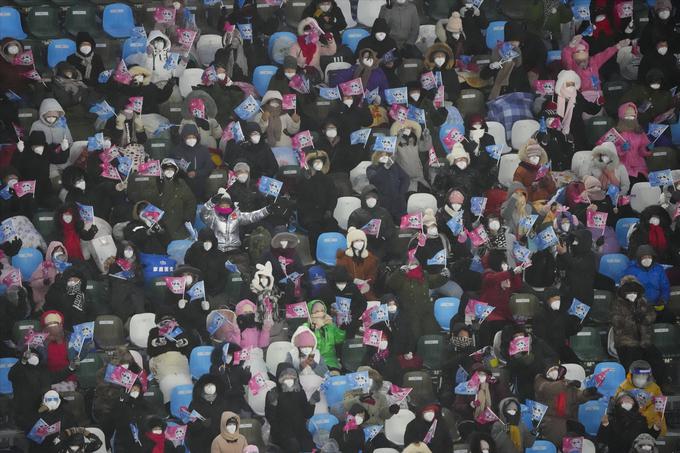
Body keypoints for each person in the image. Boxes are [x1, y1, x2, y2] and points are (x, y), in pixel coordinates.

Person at [611, 276, 667, 386]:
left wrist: (643, 318)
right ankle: (631, 387)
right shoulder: (617, 304)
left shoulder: (643, 302)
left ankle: (662, 385)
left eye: (634, 291)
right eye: (629, 291)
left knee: (656, 357)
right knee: (632, 359)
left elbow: (651, 315)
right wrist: (633, 319)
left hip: (644, 341)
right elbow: (617, 322)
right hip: (626, 342)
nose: (632, 293)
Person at [533, 365, 602, 445]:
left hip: (569, 423)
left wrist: (586, 394)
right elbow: (548, 389)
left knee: (580, 434)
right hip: (550, 424)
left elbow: (576, 396)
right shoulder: (540, 381)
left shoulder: (565, 383)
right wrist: (565, 385)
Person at [265, 363, 317, 452]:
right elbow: (271, 419)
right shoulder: (273, 393)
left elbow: (307, 414)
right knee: (293, 446)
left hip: (300, 430)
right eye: (285, 377)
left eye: (291, 377)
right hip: (281, 433)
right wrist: (273, 405)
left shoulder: (300, 392)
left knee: (310, 447)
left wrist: (312, 402)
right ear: (279, 379)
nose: (289, 379)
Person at [615, 360, 667, 436]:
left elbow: (660, 408)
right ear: (631, 375)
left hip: (651, 427)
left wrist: (646, 415)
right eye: (637, 376)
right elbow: (616, 406)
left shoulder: (655, 388)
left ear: (649, 376)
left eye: (644, 376)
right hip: (629, 426)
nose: (640, 379)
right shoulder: (623, 387)